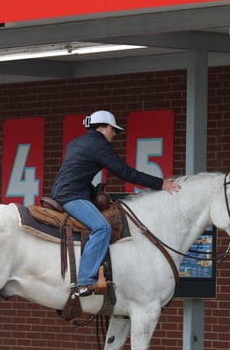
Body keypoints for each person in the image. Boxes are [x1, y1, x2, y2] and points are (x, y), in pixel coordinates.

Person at [50, 110, 181, 296]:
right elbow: (125, 173)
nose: (114, 134)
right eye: (113, 130)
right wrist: (161, 183)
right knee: (102, 228)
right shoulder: (99, 145)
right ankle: (85, 280)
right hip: (71, 196)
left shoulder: (76, 142)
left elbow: (75, 174)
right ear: (103, 128)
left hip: (64, 192)